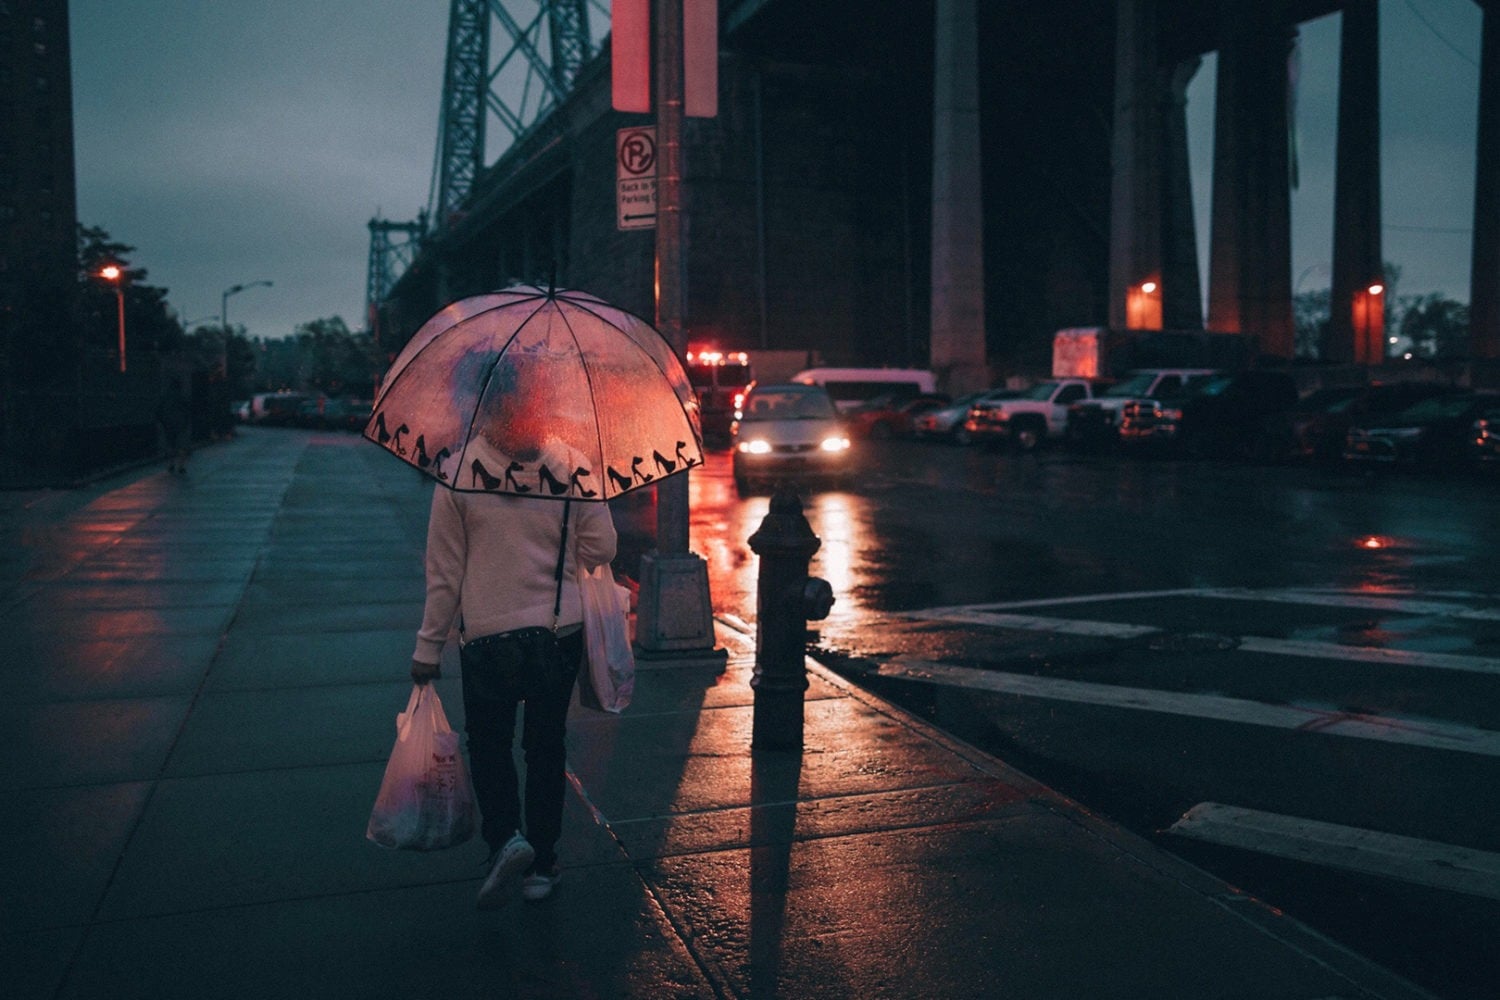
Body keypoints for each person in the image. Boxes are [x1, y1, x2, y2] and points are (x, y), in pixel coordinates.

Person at [410, 481, 617, 909]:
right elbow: (602, 548)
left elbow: (445, 572)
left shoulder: (458, 471)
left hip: (487, 635)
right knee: (545, 744)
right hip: (557, 630)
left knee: (489, 743)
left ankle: (505, 837)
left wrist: (428, 647)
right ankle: (541, 867)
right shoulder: (572, 465)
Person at [157, 379, 192, 475]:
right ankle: (181, 466)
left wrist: (162, 422)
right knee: (182, 445)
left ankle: (171, 464)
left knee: (170, 445)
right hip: (181, 424)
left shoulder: (165, 397)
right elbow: (188, 411)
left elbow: (159, 410)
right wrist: (186, 422)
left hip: (168, 424)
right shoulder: (182, 397)